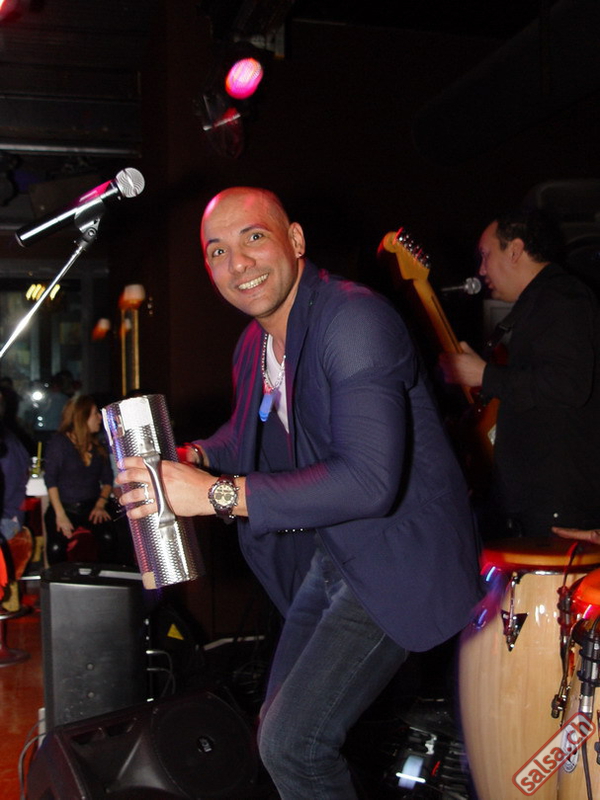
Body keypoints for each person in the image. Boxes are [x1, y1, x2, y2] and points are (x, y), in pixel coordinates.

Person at [115, 186, 483, 799]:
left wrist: (216, 495)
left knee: (293, 743)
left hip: (397, 557)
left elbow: (369, 481)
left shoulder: (354, 321)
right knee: (278, 732)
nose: (238, 263)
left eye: (254, 237)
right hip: (335, 556)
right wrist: (196, 456)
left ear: (295, 240)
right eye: (217, 251)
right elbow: (249, 431)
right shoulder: (254, 344)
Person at [439, 209, 600, 539]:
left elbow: (567, 385)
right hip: (535, 502)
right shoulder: (541, 302)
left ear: (514, 250)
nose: (481, 270)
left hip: (556, 508)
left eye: (485, 255)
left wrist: (485, 375)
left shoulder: (561, 297)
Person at [44, 394, 117, 564]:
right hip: (64, 506)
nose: (100, 418)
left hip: (91, 504)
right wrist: (60, 514)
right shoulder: (60, 443)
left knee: (109, 537)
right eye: (95, 414)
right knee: (56, 547)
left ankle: (104, 577)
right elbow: (50, 480)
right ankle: (59, 580)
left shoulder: (98, 445)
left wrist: (100, 504)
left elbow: (108, 479)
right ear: (82, 417)